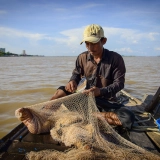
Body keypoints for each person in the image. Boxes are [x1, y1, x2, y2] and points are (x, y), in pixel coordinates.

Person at [50, 24, 135, 133]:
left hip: (106, 102)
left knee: (128, 117)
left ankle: (91, 115)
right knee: (61, 91)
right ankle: (41, 117)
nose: (90, 48)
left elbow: (119, 84)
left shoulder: (115, 58)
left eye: (94, 43)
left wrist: (100, 91)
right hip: (84, 98)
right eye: (87, 44)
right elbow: (76, 74)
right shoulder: (82, 57)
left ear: (103, 41)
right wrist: (72, 81)